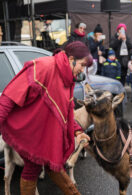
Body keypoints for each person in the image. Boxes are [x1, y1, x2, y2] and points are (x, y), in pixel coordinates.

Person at [0, 41, 92, 195]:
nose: (82, 70)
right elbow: (9, 97)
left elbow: (66, 111)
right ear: (71, 59)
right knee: (38, 166)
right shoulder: (44, 66)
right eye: (82, 65)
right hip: (28, 129)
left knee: (48, 164)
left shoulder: (68, 78)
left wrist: (77, 131)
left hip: (45, 133)